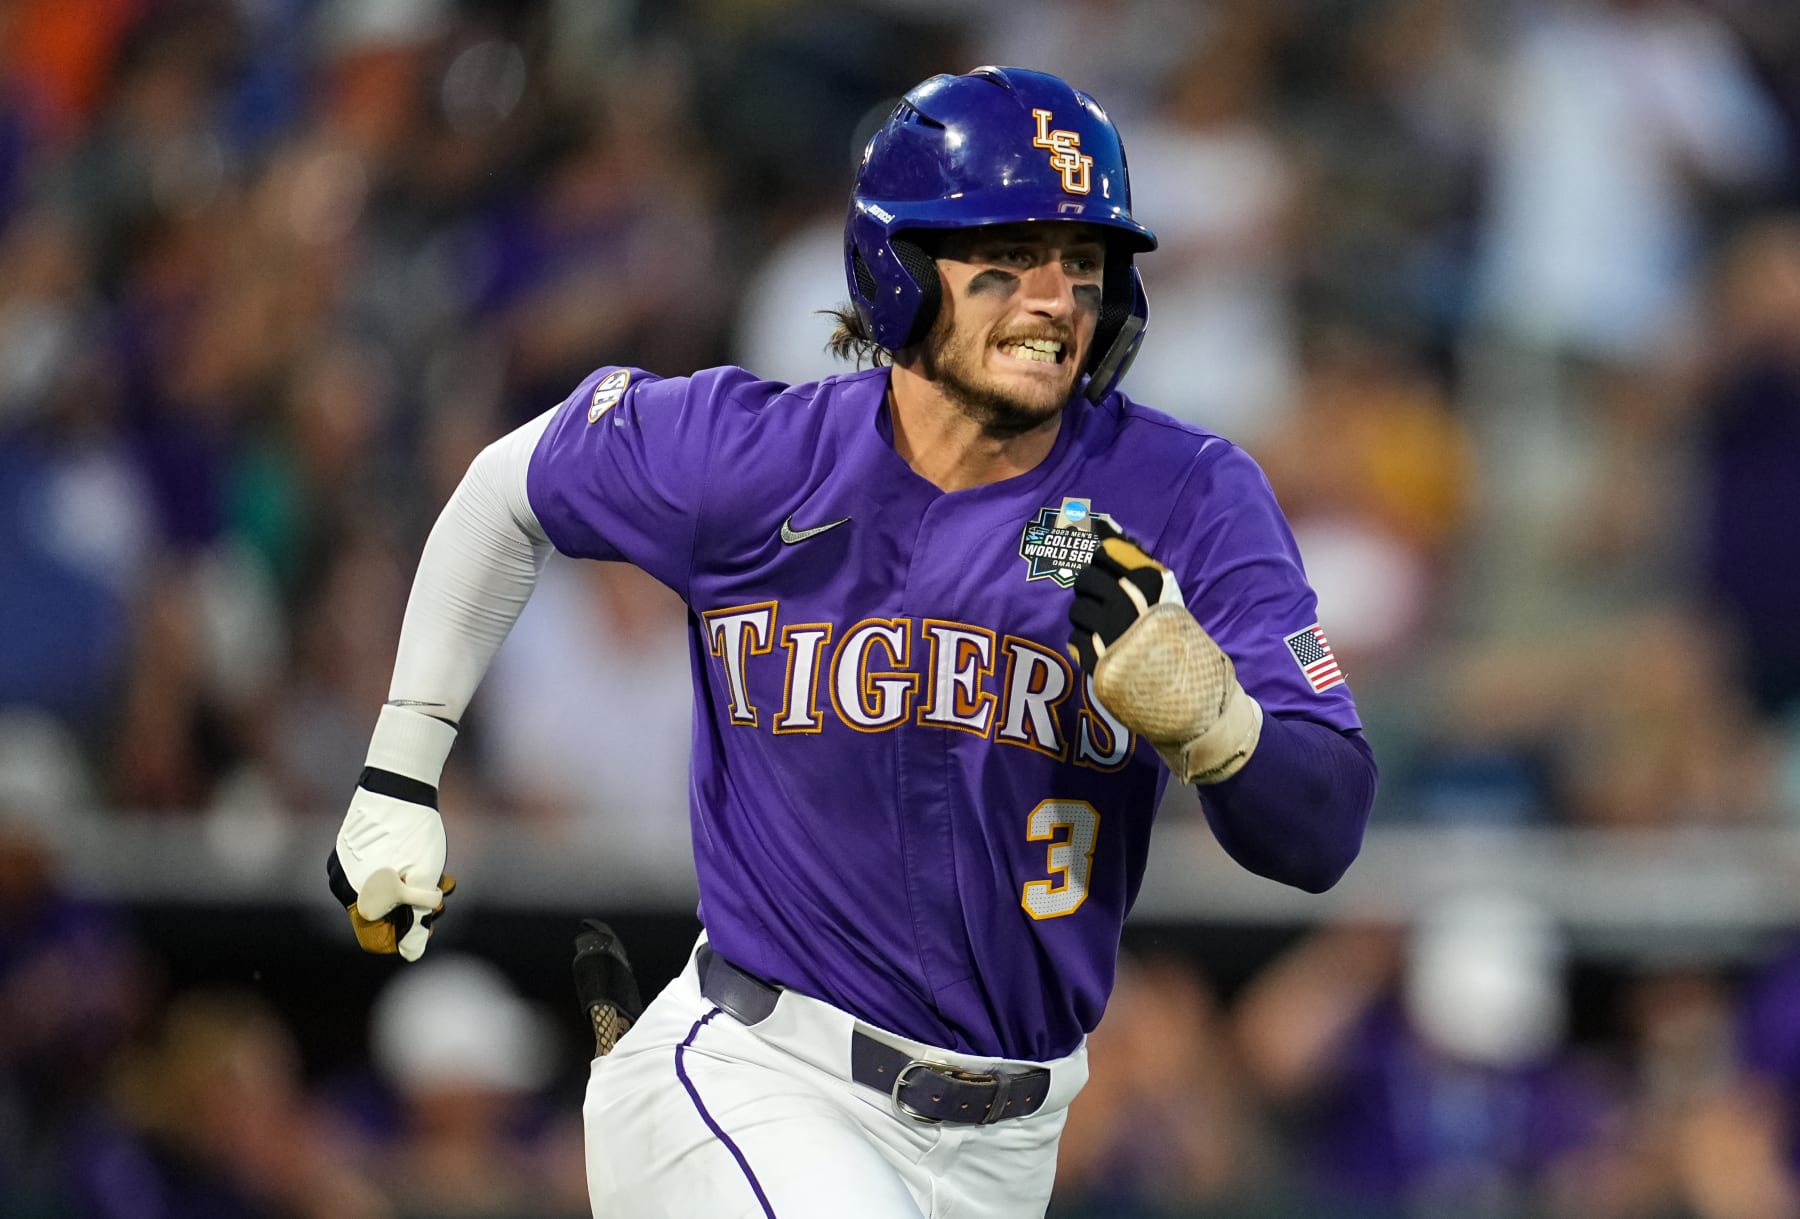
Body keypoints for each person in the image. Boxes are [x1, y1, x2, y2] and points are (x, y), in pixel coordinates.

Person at [326, 66, 1376, 1219]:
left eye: (1083, 259)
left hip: (1010, 1144)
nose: (1057, 294)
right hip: (759, 1075)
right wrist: (400, 764)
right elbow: (504, 487)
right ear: (901, 265)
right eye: (1010, 253)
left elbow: (1323, 826)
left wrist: (1220, 725)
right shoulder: (756, 457)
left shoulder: (1186, 495)